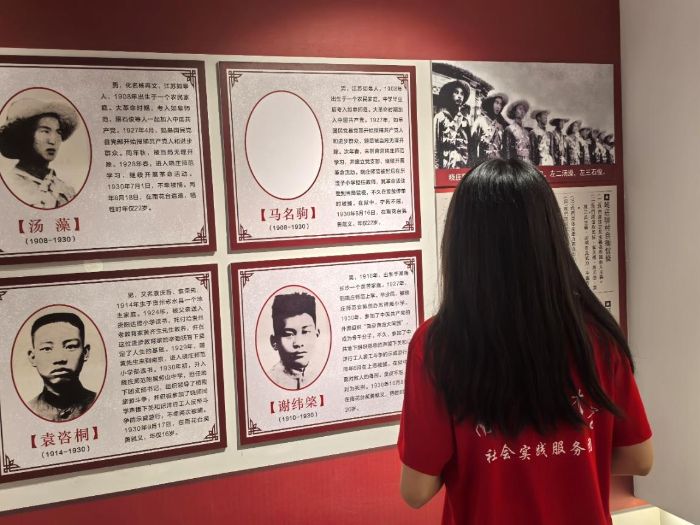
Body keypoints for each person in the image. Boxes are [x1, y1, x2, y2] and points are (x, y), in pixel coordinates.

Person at [398, 159, 652, 525]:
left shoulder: (437, 346)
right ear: (550, 236)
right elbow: (639, 458)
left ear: (462, 245)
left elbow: (416, 490)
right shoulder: (596, 336)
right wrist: (569, 458)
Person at [0, 97, 80, 208]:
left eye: (58, 132)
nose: (53, 141)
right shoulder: (10, 185)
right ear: (25, 136)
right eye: (45, 131)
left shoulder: (65, 190)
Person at [26, 312, 96, 422]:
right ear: (33, 357)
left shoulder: (100, 402)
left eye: (70, 346)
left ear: (85, 353)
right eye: (47, 348)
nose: (59, 359)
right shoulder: (28, 410)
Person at [268, 292, 320, 390]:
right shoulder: (269, 381)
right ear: (274, 342)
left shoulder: (323, 377)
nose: (299, 343)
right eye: (289, 334)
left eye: (305, 332)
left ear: (316, 334)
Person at [433, 80, 471, 169]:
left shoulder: (465, 121)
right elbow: (435, 146)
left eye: (462, 94)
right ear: (450, 95)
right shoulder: (440, 117)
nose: (459, 96)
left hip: (461, 164)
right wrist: (437, 168)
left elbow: (469, 146)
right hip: (446, 165)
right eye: (456, 92)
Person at [470, 92, 509, 165]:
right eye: (496, 103)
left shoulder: (500, 125)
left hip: (497, 161)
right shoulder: (480, 120)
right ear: (490, 103)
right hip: (483, 161)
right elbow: (472, 144)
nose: (499, 106)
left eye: (500, 104)